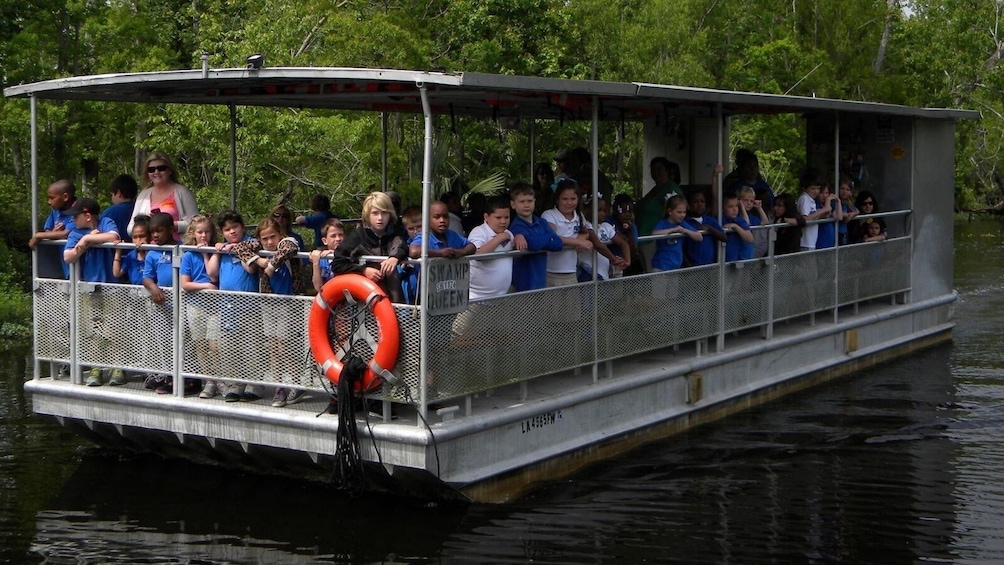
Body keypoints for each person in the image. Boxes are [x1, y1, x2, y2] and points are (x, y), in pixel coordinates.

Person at [237, 217, 304, 408]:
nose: (269, 242)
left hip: (287, 303)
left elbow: (289, 248)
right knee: (273, 346)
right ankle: (279, 386)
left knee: (284, 344)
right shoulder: (259, 247)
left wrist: (271, 266)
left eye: (272, 237)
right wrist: (258, 259)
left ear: (279, 234)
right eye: (264, 238)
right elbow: (240, 248)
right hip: (268, 303)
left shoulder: (286, 243)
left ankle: (296, 381)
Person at [63, 198, 122, 386]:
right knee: (93, 329)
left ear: (88, 216)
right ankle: (95, 368)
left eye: (76, 216)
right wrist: (83, 241)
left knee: (114, 328)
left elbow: (113, 236)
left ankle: (118, 367)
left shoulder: (105, 222)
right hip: (89, 288)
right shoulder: (75, 232)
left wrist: (88, 239)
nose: (72, 220)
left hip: (112, 287)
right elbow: (68, 256)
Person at [207, 211, 261, 402]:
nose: (232, 232)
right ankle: (235, 384)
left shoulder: (250, 244)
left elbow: (250, 268)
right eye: (227, 229)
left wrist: (239, 249)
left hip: (248, 306)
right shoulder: (224, 249)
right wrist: (217, 251)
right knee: (230, 347)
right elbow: (212, 274)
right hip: (227, 306)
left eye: (235, 227)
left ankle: (253, 384)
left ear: (242, 227)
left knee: (250, 346)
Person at [541, 180, 625, 286]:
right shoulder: (549, 215)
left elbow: (586, 232)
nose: (569, 202)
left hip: (572, 272)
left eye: (573, 199)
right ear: (557, 200)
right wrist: (578, 242)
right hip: (551, 272)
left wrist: (582, 238)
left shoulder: (579, 216)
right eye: (565, 199)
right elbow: (552, 237)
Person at [179, 215, 221, 399]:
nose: (203, 235)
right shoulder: (188, 254)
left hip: (215, 306)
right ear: (193, 234)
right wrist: (205, 286)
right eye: (200, 232)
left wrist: (207, 254)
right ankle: (209, 381)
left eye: (207, 231)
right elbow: (185, 284)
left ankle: (220, 379)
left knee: (215, 343)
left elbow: (214, 276)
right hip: (195, 305)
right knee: (200, 343)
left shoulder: (216, 251)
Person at [337, 192, 407, 302]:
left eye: (384, 213)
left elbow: (402, 246)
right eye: (375, 213)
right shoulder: (357, 236)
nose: (380, 218)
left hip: (393, 299)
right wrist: (363, 270)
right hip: (364, 301)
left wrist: (395, 257)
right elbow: (338, 263)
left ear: (390, 214)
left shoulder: (394, 233)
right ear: (367, 215)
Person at [141, 212, 180, 394]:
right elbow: (147, 278)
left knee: (183, 341)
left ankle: (185, 378)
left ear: (171, 230)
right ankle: (167, 377)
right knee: (164, 341)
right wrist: (154, 288)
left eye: (159, 231)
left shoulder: (182, 248)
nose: (155, 235)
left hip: (181, 303)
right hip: (162, 304)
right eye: (152, 232)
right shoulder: (152, 253)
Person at [128, 152, 198, 239]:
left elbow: (196, 225)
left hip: (178, 249)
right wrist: (147, 224)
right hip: (150, 250)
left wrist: (170, 224)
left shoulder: (183, 192)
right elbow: (130, 228)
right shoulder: (143, 195)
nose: (156, 172)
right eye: (151, 169)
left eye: (161, 168)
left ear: (170, 171)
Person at [508, 182, 563, 292]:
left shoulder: (541, 222)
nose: (526, 205)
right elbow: (534, 244)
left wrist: (542, 239)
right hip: (523, 283)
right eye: (522, 201)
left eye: (529, 201)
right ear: (513, 204)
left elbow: (558, 244)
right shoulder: (516, 226)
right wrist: (549, 235)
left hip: (540, 280)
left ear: (535, 201)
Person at [467, 195, 515, 299]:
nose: (503, 221)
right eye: (498, 217)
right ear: (486, 217)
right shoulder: (478, 232)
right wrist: (498, 239)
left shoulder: (509, 234)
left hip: (501, 298)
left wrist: (520, 237)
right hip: (476, 298)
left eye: (506, 217)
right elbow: (478, 255)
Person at [29, 179, 77, 279]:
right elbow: (48, 230)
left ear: (65, 197)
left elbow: (65, 234)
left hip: (78, 264)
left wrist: (39, 235)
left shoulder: (78, 210)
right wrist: (52, 233)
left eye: (52, 198)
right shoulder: (55, 211)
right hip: (62, 265)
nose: (49, 202)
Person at [409, 201, 476, 260]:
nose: (442, 220)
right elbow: (413, 252)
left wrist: (461, 252)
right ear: (427, 219)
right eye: (437, 217)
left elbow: (472, 247)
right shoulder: (424, 236)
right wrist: (440, 253)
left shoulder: (452, 235)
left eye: (445, 216)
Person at [651, 195, 703, 271]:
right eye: (679, 212)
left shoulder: (683, 224)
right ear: (670, 211)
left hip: (676, 266)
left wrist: (685, 231)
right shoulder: (663, 223)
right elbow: (654, 234)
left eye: (684, 212)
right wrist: (672, 230)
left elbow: (699, 237)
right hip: (661, 265)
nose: (682, 215)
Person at [636, 157, 684, 235]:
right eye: (653, 170)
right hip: (642, 236)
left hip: (656, 237)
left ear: (667, 170)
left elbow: (677, 215)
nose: (655, 172)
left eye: (659, 169)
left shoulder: (672, 189)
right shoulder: (656, 188)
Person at [683, 190, 726, 266]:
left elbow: (724, 237)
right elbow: (681, 248)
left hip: (710, 266)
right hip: (692, 266)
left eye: (702, 201)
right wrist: (688, 264)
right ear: (689, 205)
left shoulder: (710, 221)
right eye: (695, 202)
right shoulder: (685, 223)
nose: (699, 204)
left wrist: (710, 228)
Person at [309, 218, 347, 293]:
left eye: (340, 235)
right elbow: (318, 287)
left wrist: (335, 254)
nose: (338, 239)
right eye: (333, 236)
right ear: (325, 241)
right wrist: (315, 262)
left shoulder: (351, 255)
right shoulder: (322, 259)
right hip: (328, 298)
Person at [796, 168, 829, 251]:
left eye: (818, 188)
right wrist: (822, 210)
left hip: (810, 242)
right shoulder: (804, 198)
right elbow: (805, 219)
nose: (816, 191)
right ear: (804, 188)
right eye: (813, 188)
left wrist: (823, 213)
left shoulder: (811, 200)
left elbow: (814, 216)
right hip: (805, 242)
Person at [611, 194, 644, 275]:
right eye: (623, 211)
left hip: (626, 264)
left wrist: (628, 233)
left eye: (630, 211)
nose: (627, 214)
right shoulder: (608, 222)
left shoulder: (632, 226)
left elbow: (634, 251)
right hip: (611, 262)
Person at [101, 174, 138, 242]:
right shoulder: (140, 208)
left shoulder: (111, 212)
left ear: (118, 193)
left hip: (116, 250)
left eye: (112, 194)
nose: (111, 198)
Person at [737, 186, 768, 258]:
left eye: (751, 201)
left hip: (748, 250)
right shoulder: (735, 215)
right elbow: (746, 223)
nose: (749, 203)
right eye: (745, 200)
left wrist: (759, 208)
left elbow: (765, 223)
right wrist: (741, 207)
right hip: (738, 249)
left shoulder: (751, 217)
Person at [722, 194, 754, 262]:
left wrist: (736, 227)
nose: (734, 209)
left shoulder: (739, 220)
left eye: (736, 206)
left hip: (739, 260)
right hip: (724, 260)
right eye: (730, 206)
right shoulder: (720, 219)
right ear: (723, 208)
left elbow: (750, 238)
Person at [814, 182, 841, 250]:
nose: (824, 196)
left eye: (826, 193)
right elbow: (825, 213)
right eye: (821, 193)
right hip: (820, 242)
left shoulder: (830, 206)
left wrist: (838, 201)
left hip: (831, 242)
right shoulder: (816, 206)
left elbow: (839, 217)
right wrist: (828, 200)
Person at [837, 178, 859, 245]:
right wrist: (846, 215)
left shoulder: (847, 202)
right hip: (835, 232)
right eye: (842, 189)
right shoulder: (834, 201)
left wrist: (852, 214)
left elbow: (857, 211)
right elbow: (836, 213)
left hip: (843, 232)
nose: (844, 192)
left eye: (847, 190)